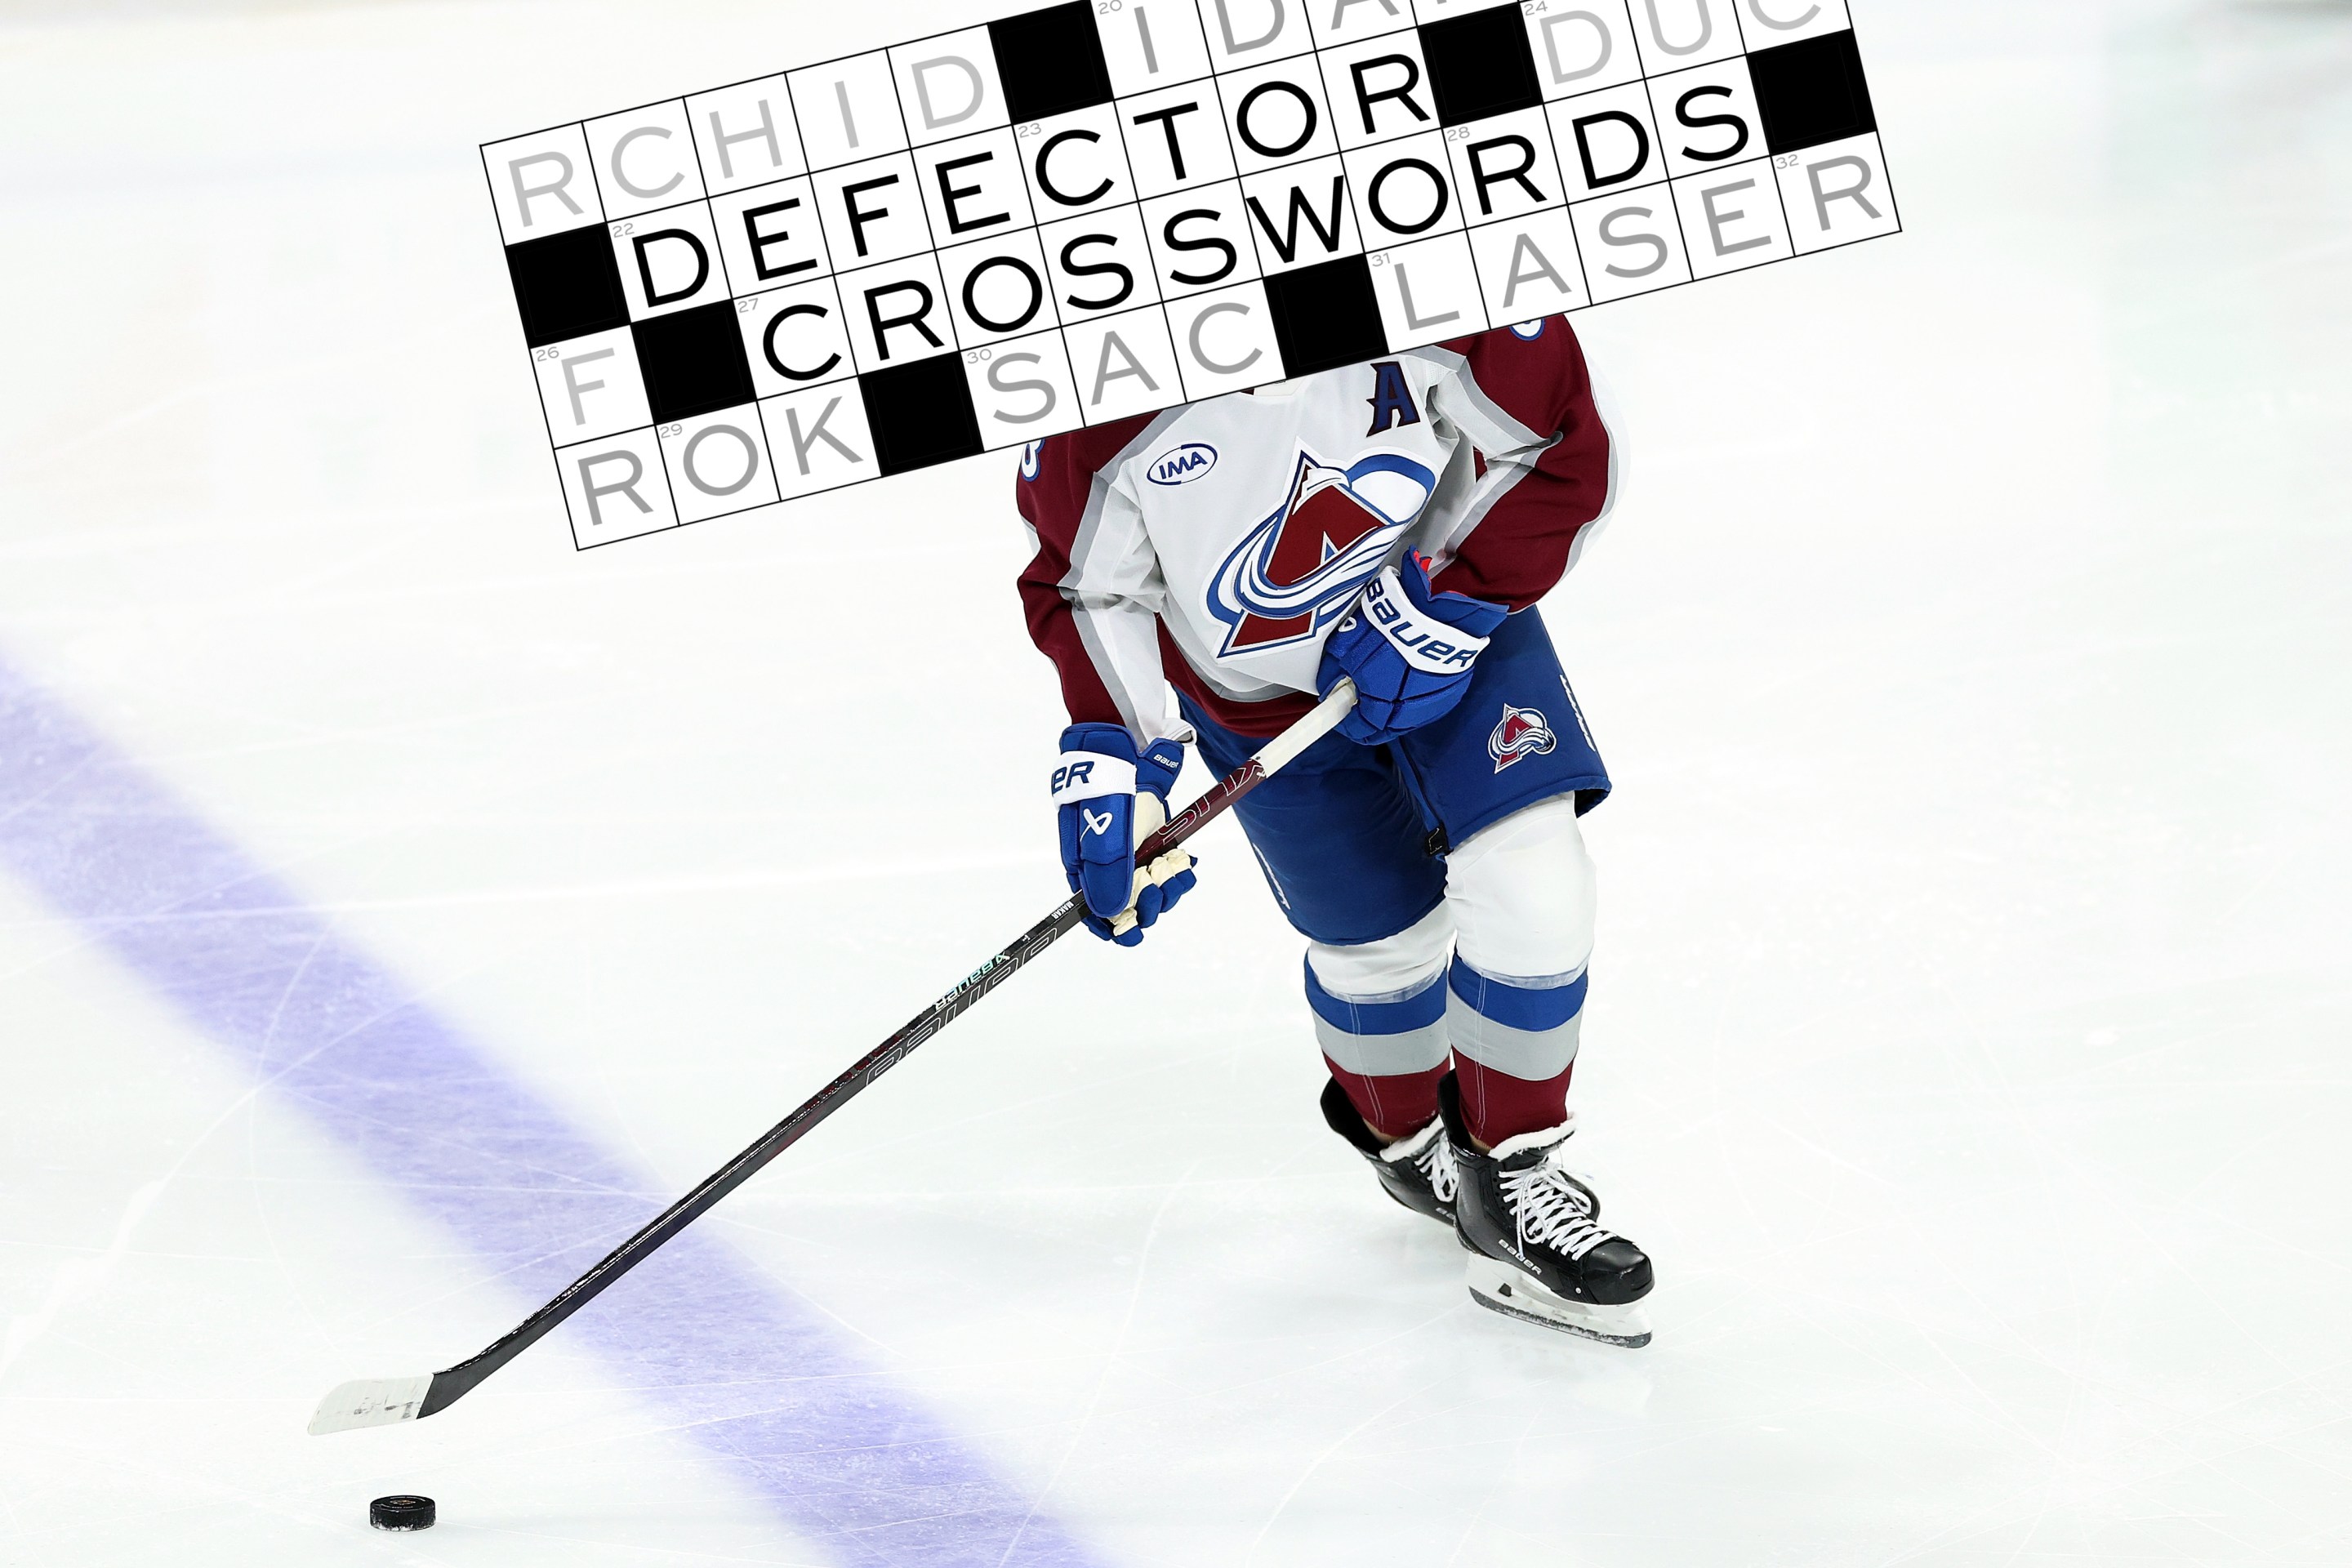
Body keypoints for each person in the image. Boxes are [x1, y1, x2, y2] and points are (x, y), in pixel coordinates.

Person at [1014, 319, 1653, 1347]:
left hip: (1458, 634)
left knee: (1539, 888)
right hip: (1256, 705)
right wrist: (1118, 761)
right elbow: (1091, 587)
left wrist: (1453, 598)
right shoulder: (1096, 382)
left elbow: (1559, 444)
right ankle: (1408, 1148)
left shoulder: (1437, 259)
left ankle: (1514, 1172)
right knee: (1379, 952)